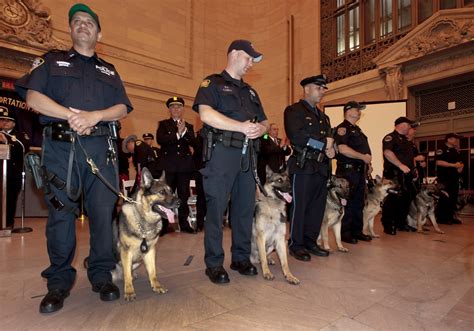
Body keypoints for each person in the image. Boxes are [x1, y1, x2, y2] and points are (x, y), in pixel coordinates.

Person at [15, 3, 132, 314]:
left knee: (102, 216)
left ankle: (101, 274)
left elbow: (122, 108)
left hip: (100, 150)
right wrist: (71, 115)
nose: (83, 25)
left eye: (89, 22)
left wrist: (96, 116)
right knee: (61, 216)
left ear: (99, 33)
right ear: (70, 29)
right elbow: (33, 97)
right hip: (61, 150)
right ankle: (58, 282)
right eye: (77, 21)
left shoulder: (109, 70)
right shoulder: (51, 62)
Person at [193, 39, 269, 284]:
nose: (250, 64)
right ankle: (214, 263)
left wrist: (260, 129)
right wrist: (241, 127)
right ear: (235, 54)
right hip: (221, 153)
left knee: (244, 208)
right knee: (216, 209)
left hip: (248, 155)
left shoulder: (251, 92)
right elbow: (205, 114)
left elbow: (266, 122)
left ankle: (240, 258)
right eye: (248, 58)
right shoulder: (212, 83)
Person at [284, 74, 335, 262]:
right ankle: (296, 244)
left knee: (316, 208)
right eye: (318, 88)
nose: (322, 92)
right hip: (303, 165)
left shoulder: (324, 117)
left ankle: (310, 241)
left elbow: (331, 141)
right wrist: (324, 145)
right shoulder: (294, 111)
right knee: (300, 207)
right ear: (306, 89)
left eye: (323, 89)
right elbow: (297, 137)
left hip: (321, 166)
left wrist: (332, 151)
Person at [156, 96, 196, 234]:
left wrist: (184, 131)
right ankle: (164, 225)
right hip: (169, 167)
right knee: (166, 196)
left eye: (178, 106)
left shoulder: (188, 126)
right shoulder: (163, 124)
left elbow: (193, 142)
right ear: (169, 109)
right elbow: (161, 140)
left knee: (184, 196)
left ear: (182, 109)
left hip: (184, 167)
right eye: (173, 107)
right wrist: (178, 134)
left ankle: (184, 224)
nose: (176, 109)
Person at [334, 101, 372, 244]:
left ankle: (357, 231)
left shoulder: (358, 130)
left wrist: (368, 164)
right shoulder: (343, 128)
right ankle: (345, 233)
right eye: (357, 109)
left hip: (359, 171)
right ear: (348, 111)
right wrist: (363, 158)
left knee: (358, 203)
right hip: (348, 171)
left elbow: (363, 151)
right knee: (347, 203)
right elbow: (343, 149)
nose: (359, 112)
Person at [380, 117, 418, 235]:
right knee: (392, 200)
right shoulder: (391, 137)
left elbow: (410, 158)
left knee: (405, 199)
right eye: (408, 125)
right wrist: (400, 165)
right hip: (394, 174)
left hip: (407, 175)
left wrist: (414, 171)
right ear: (401, 125)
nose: (410, 128)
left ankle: (401, 223)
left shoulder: (407, 141)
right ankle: (388, 225)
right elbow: (387, 152)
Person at [0, 109, 31, 229]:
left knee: (10, 200)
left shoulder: (20, 136)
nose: (5, 123)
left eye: (8, 121)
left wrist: (6, 140)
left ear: (14, 123)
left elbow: (24, 148)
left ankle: (7, 223)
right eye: (2, 120)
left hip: (12, 174)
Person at [435, 133, 464, 225]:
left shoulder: (455, 151)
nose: (456, 141)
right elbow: (438, 162)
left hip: (454, 178)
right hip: (444, 179)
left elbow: (459, 162)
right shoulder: (441, 149)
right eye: (455, 139)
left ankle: (450, 217)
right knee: (444, 198)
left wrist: (460, 167)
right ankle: (441, 218)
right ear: (449, 140)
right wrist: (454, 165)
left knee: (453, 198)